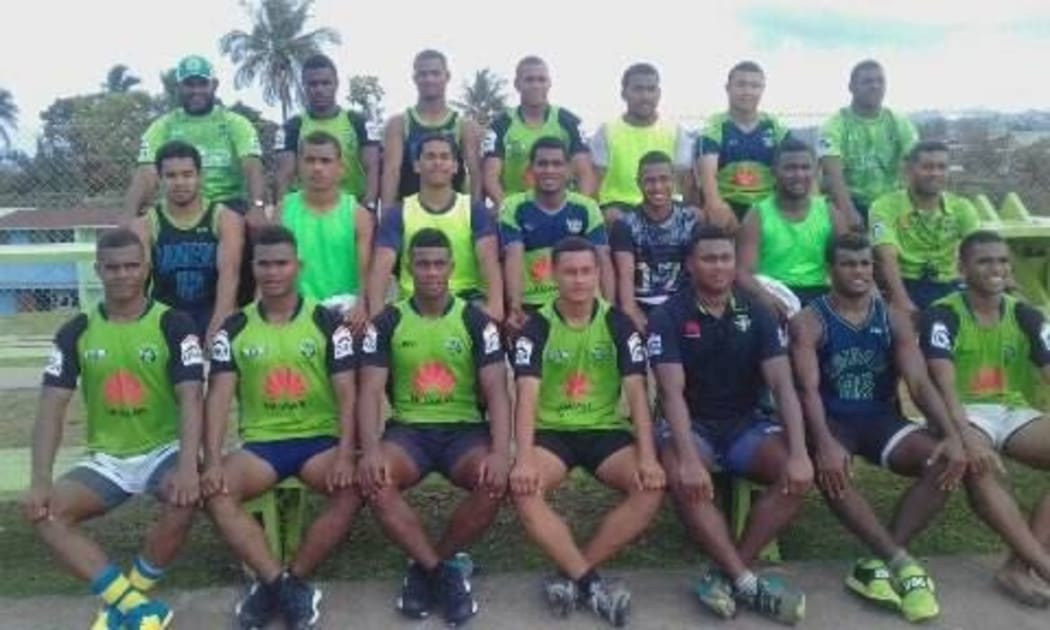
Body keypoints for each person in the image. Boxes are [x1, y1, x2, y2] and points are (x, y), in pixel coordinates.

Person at [23, 228, 205, 630]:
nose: (123, 275)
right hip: (107, 459)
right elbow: (51, 407)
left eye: (131, 266)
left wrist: (189, 466)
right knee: (45, 513)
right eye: (113, 268)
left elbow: (192, 397)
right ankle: (137, 607)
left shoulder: (174, 324)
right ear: (98, 271)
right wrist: (40, 480)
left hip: (163, 449)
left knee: (184, 497)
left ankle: (125, 603)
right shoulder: (76, 330)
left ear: (146, 268)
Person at [789, 233, 968, 623]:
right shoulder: (809, 321)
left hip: (880, 418)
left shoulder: (892, 318)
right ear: (830, 270)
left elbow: (919, 383)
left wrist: (952, 435)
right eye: (848, 264)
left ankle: (880, 561)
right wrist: (824, 443)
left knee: (944, 460)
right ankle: (901, 563)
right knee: (832, 468)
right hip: (832, 419)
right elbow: (807, 390)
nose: (859, 271)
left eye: (865, 263)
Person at [647, 225, 813, 625]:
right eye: (709, 259)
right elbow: (671, 393)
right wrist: (689, 460)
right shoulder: (668, 315)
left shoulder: (756, 311)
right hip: (693, 425)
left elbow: (782, 385)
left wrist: (800, 452)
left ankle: (729, 573)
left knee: (797, 475)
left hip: (745, 424)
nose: (719, 266)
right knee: (682, 473)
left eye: (725, 258)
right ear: (690, 265)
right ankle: (747, 581)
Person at [201, 225, 363, 630]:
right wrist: (213, 460)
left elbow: (348, 395)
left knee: (356, 487)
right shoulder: (234, 328)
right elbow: (218, 398)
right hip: (262, 446)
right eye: (264, 264)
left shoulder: (327, 321)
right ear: (253, 268)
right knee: (216, 491)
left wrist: (346, 455)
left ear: (298, 266)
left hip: (319, 443)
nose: (273, 272)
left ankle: (296, 577)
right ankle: (278, 583)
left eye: (281, 263)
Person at [357, 228, 512, 626]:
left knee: (494, 481)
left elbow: (498, 392)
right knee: (375, 480)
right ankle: (442, 573)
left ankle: (428, 565)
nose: (430, 272)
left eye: (438, 264)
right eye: (422, 264)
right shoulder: (387, 322)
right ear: (408, 269)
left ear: (451, 267)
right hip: (408, 432)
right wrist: (370, 450)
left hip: (465, 432)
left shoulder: (476, 321)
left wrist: (500, 451)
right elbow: (369, 391)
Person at [511, 236, 664, 627]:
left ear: (598, 273)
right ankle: (592, 583)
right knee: (524, 490)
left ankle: (573, 575)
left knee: (650, 487)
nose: (579, 280)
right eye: (569, 272)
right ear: (553, 275)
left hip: (604, 429)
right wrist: (523, 459)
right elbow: (525, 396)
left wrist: (648, 457)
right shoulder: (536, 327)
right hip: (552, 433)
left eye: (586, 271)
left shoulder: (619, 323)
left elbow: (637, 392)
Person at [920, 230, 1050, 607]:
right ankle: (1043, 565)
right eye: (985, 261)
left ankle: (1018, 567)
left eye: (1003, 260)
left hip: (1012, 411)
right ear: (962, 268)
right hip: (962, 411)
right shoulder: (942, 313)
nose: (997, 268)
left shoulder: (1025, 313)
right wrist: (964, 434)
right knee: (976, 465)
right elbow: (942, 383)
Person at [365, 133, 503, 321]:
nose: (437, 162)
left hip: (466, 302)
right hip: (413, 306)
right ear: (417, 165)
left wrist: (495, 307)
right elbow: (381, 268)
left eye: (444, 157)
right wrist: (377, 316)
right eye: (430, 156)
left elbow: (489, 263)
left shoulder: (475, 211)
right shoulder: (398, 213)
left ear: (455, 166)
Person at [126, 55, 266, 225]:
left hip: (228, 203)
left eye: (202, 84)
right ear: (178, 87)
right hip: (177, 205)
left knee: (258, 230)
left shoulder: (236, 123)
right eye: (189, 85)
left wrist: (258, 206)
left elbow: (252, 166)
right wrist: (128, 217)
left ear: (214, 85)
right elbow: (146, 173)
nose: (196, 91)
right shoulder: (162, 126)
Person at [129, 140, 244, 342]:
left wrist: (217, 327)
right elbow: (137, 283)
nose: (180, 182)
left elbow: (230, 275)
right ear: (159, 178)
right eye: (171, 176)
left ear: (200, 176)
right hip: (165, 318)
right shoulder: (145, 224)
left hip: (212, 313)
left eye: (187, 175)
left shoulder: (225, 219)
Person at [501, 137, 613, 336]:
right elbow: (513, 256)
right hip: (534, 304)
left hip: (581, 302)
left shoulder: (586, 207)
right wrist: (515, 308)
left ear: (568, 169)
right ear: (531, 169)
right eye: (542, 164)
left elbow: (602, 259)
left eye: (557, 164)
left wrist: (609, 310)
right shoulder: (513, 206)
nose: (549, 170)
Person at [737, 138, 847, 317]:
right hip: (774, 294)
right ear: (774, 172)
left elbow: (847, 263)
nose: (798, 174)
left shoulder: (830, 212)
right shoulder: (757, 215)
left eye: (805, 168)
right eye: (790, 168)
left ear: (816, 171)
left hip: (820, 295)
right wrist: (764, 297)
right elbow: (743, 273)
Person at [277, 130, 375, 328]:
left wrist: (362, 305)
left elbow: (365, 273)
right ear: (299, 166)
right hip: (295, 312)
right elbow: (270, 267)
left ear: (341, 168)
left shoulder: (358, 214)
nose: (317, 167)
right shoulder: (283, 210)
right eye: (310, 160)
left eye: (325, 161)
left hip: (345, 312)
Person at [870, 140, 981, 313]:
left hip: (949, 284)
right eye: (927, 167)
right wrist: (903, 303)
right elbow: (887, 257)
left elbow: (979, 250)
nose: (935, 173)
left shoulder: (962, 207)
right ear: (909, 170)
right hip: (904, 283)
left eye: (942, 167)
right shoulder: (884, 206)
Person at [483, 56, 595, 207]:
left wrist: (579, 209)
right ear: (517, 84)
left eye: (541, 80)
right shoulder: (500, 125)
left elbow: (585, 173)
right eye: (529, 80)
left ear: (549, 83)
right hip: (515, 206)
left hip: (561, 206)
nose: (536, 85)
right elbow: (490, 177)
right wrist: (506, 209)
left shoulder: (569, 122)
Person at [275, 53, 381, 211]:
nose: (319, 89)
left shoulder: (359, 122)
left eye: (326, 83)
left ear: (336, 84)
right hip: (306, 208)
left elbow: (373, 167)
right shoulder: (292, 127)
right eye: (313, 84)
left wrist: (370, 205)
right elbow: (284, 174)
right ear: (304, 86)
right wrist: (283, 211)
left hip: (352, 206)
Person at [591, 63, 695, 222]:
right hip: (621, 208)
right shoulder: (606, 131)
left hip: (665, 206)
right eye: (638, 89)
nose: (645, 96)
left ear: (659, 94)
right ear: (623, 94)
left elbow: (685, 180)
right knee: (613, 217)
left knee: (696, 215)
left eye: (651, 89)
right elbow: (594, 183)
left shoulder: (675, 131)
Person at [819, 60, 918, 226]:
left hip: (890, 203)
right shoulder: (834, 125)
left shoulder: (899, 122)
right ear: (851, 87)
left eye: (880, 81)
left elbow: (917, 165)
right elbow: (832, 176)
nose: (875, 86)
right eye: (867, 81)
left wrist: (910, 206)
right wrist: (849, 214)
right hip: (848, 202)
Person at [610, 150, 700, 333]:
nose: (658, 187)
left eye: (664, 179)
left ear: (674, 180)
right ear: (638, 183)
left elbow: (697, 272)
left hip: (681, 304)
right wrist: (632, 313)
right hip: (642, 304)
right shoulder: (625, 225)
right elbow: (625, 278)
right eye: (649, 181)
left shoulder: (690, 220)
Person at [696, 61, 792, 227]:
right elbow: (707, 176)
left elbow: (795, 167)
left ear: (762, 89)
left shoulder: (775, 126)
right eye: (741, 85)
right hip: (728, 203)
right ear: (728, 88)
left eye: (755, 86)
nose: (748, 91)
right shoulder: (714, 127)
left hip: (768, 205)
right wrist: (716, 205)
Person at [381, 49, 482, 206]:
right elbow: (391, 172)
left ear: (447, 76)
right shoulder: (398, 123)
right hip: (409, 211)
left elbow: (475, 173)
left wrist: (477, 212)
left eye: (435, 73)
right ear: (415, 78)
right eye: (423, 74)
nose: (429, 79)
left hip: (454, 212)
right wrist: (386, 215)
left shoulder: (464, 126)